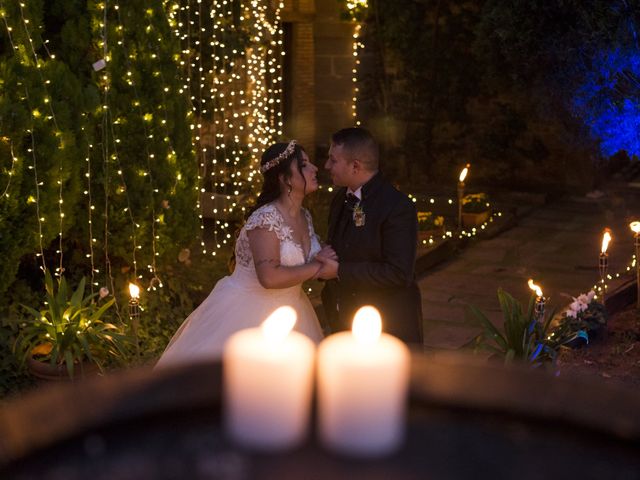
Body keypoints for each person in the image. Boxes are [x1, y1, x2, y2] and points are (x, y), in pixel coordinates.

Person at [156, 140, 337, 369]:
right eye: (303, 165)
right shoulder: (265, 218)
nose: (315, 168)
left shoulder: (305, 216)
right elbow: (269, 277)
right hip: (248, 311)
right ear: (284, 178)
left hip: (293, 310)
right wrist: (318, 267)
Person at [320, 127, 423, 344]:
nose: (327, 166)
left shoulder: (397, 206)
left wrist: (339, 271)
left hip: (387, 325)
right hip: (345, 320)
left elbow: (398, 273)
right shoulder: (340, 199)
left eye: (333, 160)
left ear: (355, 166)